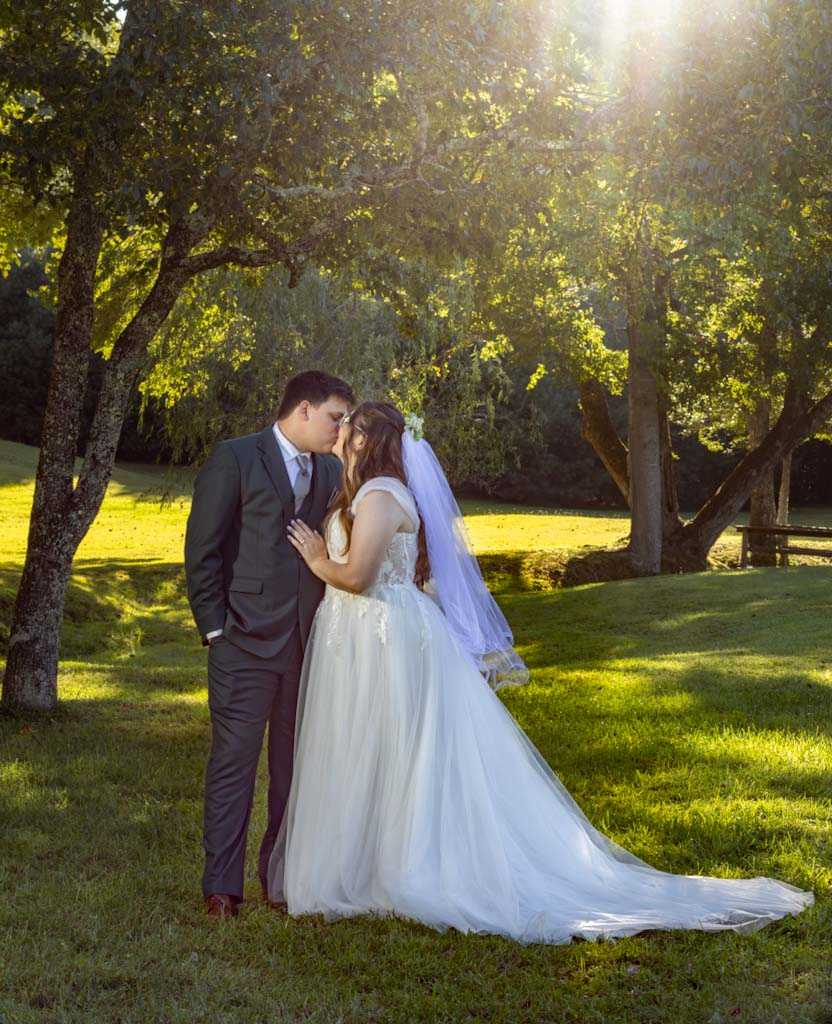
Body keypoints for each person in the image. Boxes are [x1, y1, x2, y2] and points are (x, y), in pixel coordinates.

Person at [267, 400, 813, 944]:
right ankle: (367, 864)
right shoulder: (361, 492)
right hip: (363, 639)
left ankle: (408, 869)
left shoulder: (382, 495)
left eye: (348, 426)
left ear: (364, 441)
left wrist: (317, 558)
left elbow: (359, 576)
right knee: (369, 749)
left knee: (399, 752)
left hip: (385, 638)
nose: (338, 431)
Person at [184, 370, 353, 918]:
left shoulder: (332, 469)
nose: (340, 429)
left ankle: (279, 881)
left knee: (292, 769)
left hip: (307, 645)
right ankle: (222, 889)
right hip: (241, 643)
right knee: (233, 764)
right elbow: (203, 550)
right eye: (334, 417)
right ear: (303, 410)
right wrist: (215, 629)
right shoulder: (234, 458)